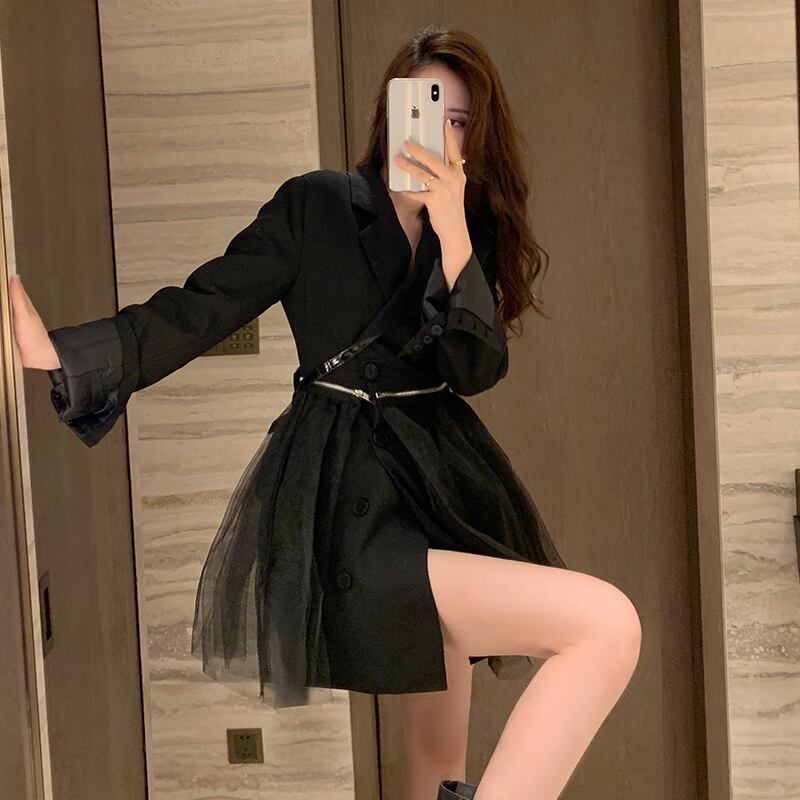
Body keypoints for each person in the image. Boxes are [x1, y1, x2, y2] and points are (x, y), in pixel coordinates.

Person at [9, 25, 642, 800]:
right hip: (350, 506)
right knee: (606, 623)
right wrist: (64, 354)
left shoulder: (466, 233)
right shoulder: (318, 205)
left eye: (460, 120)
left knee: (437, 765)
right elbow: (204, 305)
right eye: (426, 108)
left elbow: (475, 370)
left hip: (439, 498)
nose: (441, 133)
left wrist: (451, 230)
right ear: (391, 112)